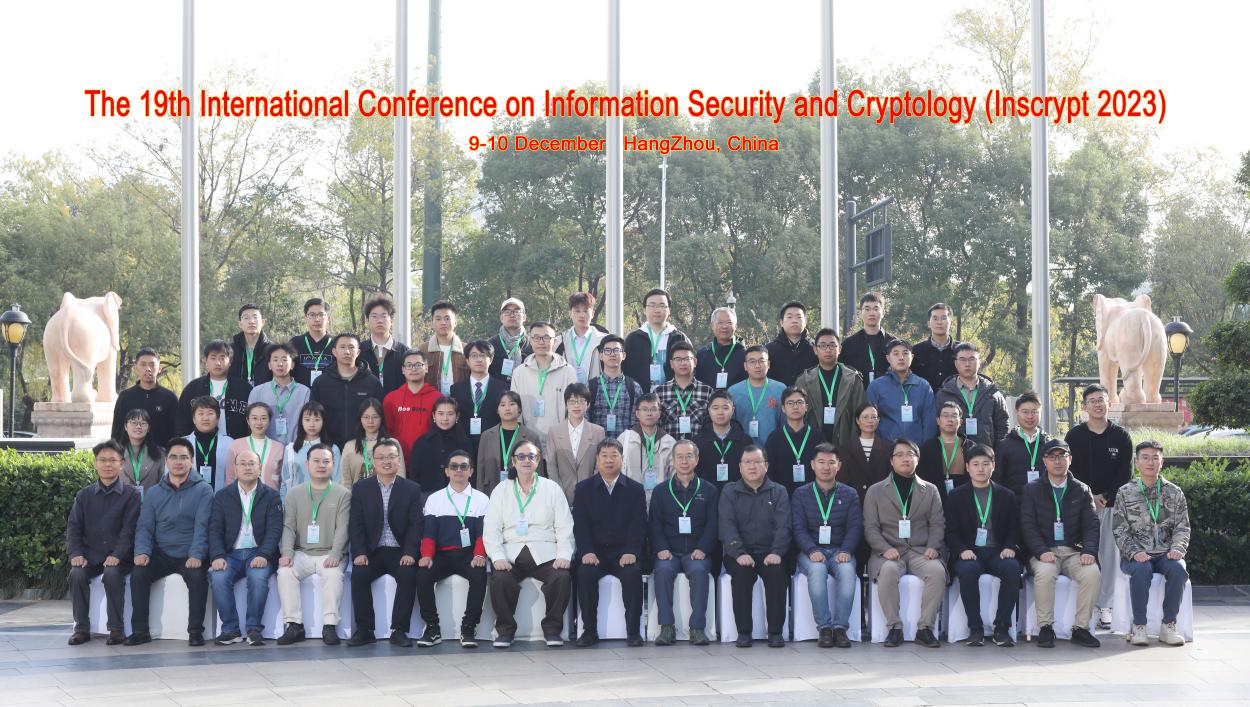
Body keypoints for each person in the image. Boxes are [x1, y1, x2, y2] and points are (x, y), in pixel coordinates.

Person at [482, 440, 574, 648]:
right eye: (521, 457)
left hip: (546, 552)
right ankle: (505, 631)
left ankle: (552, 630)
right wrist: (497, 557)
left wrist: (564, 555)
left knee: (561, 577)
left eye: (531, 456)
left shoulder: (552, 488)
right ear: (513, 461)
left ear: (538, 460)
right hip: (511, 553)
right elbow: (492, 528)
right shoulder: (501, 490)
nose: (526, 461)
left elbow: (564, 526)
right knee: (500, 579)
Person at [126, 438, 214, 646]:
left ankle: (195, 632)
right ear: (166, 461)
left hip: (189, 552)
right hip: (162, 552)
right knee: (138, 574)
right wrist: (142, 552)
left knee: (198, 578)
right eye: (173, 457)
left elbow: (203, 526)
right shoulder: (155, 492)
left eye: (183, 457)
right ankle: (140, 631)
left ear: (191, 460)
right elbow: (145, 527)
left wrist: (196, 554)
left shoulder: (203, 490)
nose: (178, 462)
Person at [863, 438, 946, 648]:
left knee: (937, 571)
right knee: (888, 571)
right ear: (891, 461)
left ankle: (925, 628)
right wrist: (884, 549)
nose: (905, 458)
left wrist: (933, 546)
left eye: (910, 454)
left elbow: (937, 523)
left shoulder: (930, 490)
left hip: (920, 551)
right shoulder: (875, 490)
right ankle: (894, 628)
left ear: (918, 459)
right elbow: (870, 527)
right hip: (889, 551)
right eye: (899, 455)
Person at [1020, 439, 1102, 648]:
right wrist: (1040, 551)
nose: (1057, 462)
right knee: (1045, 572)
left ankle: (1081, 628)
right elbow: (1027, 526)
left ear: (1070, 459)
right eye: (1052, 457)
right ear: (1044, 461)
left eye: (1062, 456)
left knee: (1092, 573)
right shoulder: (1032, 490)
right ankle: (1045, 627)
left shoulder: (1082, 489)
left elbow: (1091, 525)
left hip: (1073, 551)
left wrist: (1089, 551)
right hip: (1044, 551)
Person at [1066, 383, 1134, 629]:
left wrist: (1104, 497)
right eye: (1092, 401)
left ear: (1109, 403)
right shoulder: (1074, 436)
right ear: (1084, 406)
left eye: (1101, 400)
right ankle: (1084, 607)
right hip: (1080, 507)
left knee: (1108, 556)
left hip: (1110, 506)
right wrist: (1089, 497)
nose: (1097, 404)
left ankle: (1105, 606)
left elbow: (1125, 473)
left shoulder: (1121, 436)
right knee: (1082, 556)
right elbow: (1068, 471)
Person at [1112, 440, 1191, 647]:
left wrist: (1178, 548)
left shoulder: (1174, 492)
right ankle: (1139, 626)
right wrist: (1134, 552)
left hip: (1166, 553)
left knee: (1179, 570)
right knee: (1141, 570)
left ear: (1162, 462)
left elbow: (1183, 527)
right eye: (1145, 458)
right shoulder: (1125, 492)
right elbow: (1119, 529)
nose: (1150, 462)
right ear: (1137, 462)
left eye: (1155, 458)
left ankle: (1168, 626)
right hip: (1136, 554)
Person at [347, 438, 423, 647]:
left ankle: (399, 630)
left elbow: (416, 525)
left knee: (408, 575)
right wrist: (359, 552)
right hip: (372, 550)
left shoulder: (411, 489)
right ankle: (365, 630)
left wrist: (410, 552)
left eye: (391, 457)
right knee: (359, 575)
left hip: (400, 550)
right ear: (373, 462)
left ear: (399, 460)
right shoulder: (361, 488)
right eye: (381, 457)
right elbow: (356, 524)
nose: (386, 461)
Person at [572, 438, 648, 647]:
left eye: (614, 455)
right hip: (594, 553)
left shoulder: (635, 489)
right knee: (584, 574)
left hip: (624, 553)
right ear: (597, 460)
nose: (609, 460)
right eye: (604, 456)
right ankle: (589, 631)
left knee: (632, 574)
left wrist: (631, 551)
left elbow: (639, 525)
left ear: (622, 459)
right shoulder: (583, 489)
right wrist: (586, 551)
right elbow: (580, 525)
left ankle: (633, 632)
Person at [944, 444, 1021, 647]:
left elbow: (1014, 527)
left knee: (1012, 568)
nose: (981, 468)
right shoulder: (956, 496)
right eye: (976, 464)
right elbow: (950, 531)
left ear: (993, 466)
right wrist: (962, 550)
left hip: (998, 551)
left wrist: (1010, 546)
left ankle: (1002, 628)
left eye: (986, 464)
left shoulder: (1006, 495)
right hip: (970, 552)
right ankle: (975, 628)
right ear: (967, 467)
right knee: (967, 570)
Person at [66, 440, 142, 646]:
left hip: (120, 557)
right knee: (76, 574)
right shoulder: (84, 495)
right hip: (91, 555)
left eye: (112, 460)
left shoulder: (132, 495)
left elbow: (129, 530)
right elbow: (74, 528)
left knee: (111, 574)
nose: (107, 464)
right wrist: (76, 554)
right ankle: (81, 629)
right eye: (102, 460)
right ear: (95, 463)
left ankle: (116, 629)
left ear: (122, 464)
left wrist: (117, 555)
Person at [276, 443, 350, 646]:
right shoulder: (294, 493)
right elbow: (288, 527)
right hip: (302, 552)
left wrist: (336, 553)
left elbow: (343, 528)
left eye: (326, 461)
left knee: (333, 575)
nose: (321, 465)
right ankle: (294, 625)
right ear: (307, 464)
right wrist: (287, 552)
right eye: (316, 461)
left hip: (329, 553)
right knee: (285, 572)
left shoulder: (343, 494)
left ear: (333, 464)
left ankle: (329, 625)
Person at [415, 449, 490, 648]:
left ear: (471, 471)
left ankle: (468, 627)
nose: (458, 470)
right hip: (442, 555)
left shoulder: (482, 499)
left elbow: (483, 534)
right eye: (454, 466)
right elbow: (429, 534)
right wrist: (427, 556)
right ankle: (432, 628)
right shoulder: (435, 499)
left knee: (479, 575)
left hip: (469, 554)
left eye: (463, 466)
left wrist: (479, 555)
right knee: (423, 574)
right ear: (447, 471)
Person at [208, 449, 282, 646]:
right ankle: (230, 629)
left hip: (259, 552)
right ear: (235, 468)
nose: (247, 467)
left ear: (260, 468)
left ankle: (253, 629)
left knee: (258, 578)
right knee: (218, 577)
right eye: (243, 463)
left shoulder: (271, 496)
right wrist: (217, 555)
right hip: (230, 553)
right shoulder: (222, 496)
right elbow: (214, 529)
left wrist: (264, 554)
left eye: (252, 464)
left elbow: (275, 530)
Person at [719, 446, 791, 647]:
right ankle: (744, 632)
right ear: (740, 467)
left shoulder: (778, 491)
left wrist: (777, 552)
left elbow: (784, 526)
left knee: (777, 575)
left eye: (757, 462)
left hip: (770, 552)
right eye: (747, 462)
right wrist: (739, 553)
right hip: (740, 553)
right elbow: (727, 526)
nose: (752, 467)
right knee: (741, 576)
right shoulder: (730, 492)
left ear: (766, 466)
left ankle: (775, 632)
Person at [792, 443, 862, 648]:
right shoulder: (801, 494)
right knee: (816, 570)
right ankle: (824, 628)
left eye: (831, 462)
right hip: (811, 551)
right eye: (821, 462)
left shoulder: (850, 494)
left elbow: (855, 527)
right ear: (812, 465)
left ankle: (840, 628)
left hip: (840, 550)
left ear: (839, 465)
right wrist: (811, 550)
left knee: (847, 571)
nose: (826, 467)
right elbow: (798, 528)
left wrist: (846, 550)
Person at [649, 439, 718, 646]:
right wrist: (661, 548)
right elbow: (654, 524)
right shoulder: (661, 491)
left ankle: (697, 628)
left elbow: (713, 525)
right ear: (673, 460)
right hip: (669, 552)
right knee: (662, 571)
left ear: (696, 459)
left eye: (689, 456)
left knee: (699, 571)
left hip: (696, 552)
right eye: (679, 457)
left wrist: (703, 548)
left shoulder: (709, 490)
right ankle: (666, 627)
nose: (684, 461)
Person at [309, 333, 385, 448]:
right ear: (334, 352)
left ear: (358, 352)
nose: (347, 352)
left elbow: (380, 416)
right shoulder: (321, 383)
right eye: (343, 347)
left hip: (362, 446)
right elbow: (314, 415)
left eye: (351, 347)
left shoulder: (372, 383)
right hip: (328, 447)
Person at [796, 328, 865, 449]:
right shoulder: (804, 380)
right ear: (815, 350)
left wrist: (855, 447)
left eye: (832, 345)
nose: (828, 350)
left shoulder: (852, 379)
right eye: (823, 346)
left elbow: (860, 414)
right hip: (812, 445)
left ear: (840, 349)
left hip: (845, 444)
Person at [510, 321, 578, 442]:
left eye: (546, 337)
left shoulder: (568, 372)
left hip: (560, 439)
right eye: (536, 338)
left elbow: (574, 408)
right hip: (528, 440)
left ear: (554, 341)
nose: (541, 342)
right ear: (530, 341)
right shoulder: (519, 373)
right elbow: (515, 409)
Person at [935, 343, 1009, 447]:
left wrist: (997, 451)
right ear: (956, 363)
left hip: (986, 452)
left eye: (972, 359)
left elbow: (1003, 425)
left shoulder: (992, 393)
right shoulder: (944, 393)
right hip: (955, 452)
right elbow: (936, 426)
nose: (967, 364)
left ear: (979, 362)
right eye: (962, 360)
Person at [176, 339, 252, 439]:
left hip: (237, 443)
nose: (218, 363)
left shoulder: (244, 388)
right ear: (205, 360)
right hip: (201, 444)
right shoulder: (193, 388)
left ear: (230, 361)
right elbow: (182, 420)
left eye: (222, 358)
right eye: (213, 358)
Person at [543, 383, 606, 504]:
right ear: (566, 404)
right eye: (572, 401)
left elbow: (600, 465)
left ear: (588, 404)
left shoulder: (598, 432)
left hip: (590, 495)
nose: (577, 405)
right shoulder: (554, 432)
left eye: (581, 401)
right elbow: (551, 465)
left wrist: (592, 490)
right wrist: (559, 493)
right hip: (560, 495)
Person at [868, 338, 937, 445]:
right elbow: (869, 420)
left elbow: (929, 422)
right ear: (888, 358)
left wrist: (925, 448)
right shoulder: (876, 386)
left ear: (912, 357)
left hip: (916, 450)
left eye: (905, 353)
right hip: (885, 448)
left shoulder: (923, 386)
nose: (901, 357)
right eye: (896, 354)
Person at [623, 288, 692, 392]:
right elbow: (625, 370)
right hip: (641, 397)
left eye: (662, 305)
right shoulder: (633, 339)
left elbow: (690, 369)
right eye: (652, 305)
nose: (657, 310)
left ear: (669, 310)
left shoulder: (679, 338)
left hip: (673, 396)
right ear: (644, 310)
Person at [476, 390, 543, 495]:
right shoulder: (487, 436)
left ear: (519, 409)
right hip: (492, 490)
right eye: (503, 405)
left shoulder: (531, 437)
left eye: (512, 404)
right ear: (497, 410)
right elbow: (480, 469)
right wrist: (480, 495)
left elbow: (538, 471)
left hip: (523, 491)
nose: (507, 408)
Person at [450, 340, 509, 459]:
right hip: (464, 445)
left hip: (494, 445)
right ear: (467, 360)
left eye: (483, 355)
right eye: (474, 356)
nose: (479, 359)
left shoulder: (503, 389)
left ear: (491, 359)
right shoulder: (456, 389)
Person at [110, 347, 178, 447]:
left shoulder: (169, 398)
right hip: (130, 454)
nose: (148, 369)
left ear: (159, 368)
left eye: (152, 365)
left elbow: (176, 432)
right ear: (136, 368)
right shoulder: (125, 397)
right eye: (143, 364)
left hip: (161, 454)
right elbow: (117, 431)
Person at [247, 343, 310, 446]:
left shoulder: (305, 392)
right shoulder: (257, 392)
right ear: (269, 365)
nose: (280, 364)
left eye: (284, 360)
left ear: (292, 365)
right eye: (275, 360)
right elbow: (251, 422)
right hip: (265, 449)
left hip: (296, 449)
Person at [278, 401, 342, 502]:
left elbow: (337, 481)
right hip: (296, 503)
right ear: (301, 421)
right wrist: (285, 505)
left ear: (323, 421)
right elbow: (285, 483)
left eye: (317, 420)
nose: (312, 424)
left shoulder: (332, 449)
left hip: (324, 502)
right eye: (307, 420)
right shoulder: (290, 449)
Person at [382, 349, 442, 456]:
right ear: (403, 370)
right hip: (398, 458)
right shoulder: (391, 399)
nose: (414, 369)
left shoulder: (437, 398)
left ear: (426, 367)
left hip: (429, 456)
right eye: (409, 365)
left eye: (418, 364)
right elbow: (387, 431)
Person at [993, 392, 1052, 497]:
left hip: (1044, 503)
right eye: (1025, 412)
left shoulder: (1050, 445)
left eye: (1035, 412)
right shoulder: (1004, 446)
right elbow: (997, 480)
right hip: (1014, 502)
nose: (1030, 416)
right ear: (1016, 412)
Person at [917, 401, 977, 504]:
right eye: (945, 416)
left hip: (966, 499)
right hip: (935, 500)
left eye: (954, 416)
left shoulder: (971, 447)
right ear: (938, 421)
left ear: (961, 421)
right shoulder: (927, 448)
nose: (950, 419)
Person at [619, 393, 676, 499]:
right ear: (637, 413)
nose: (649, 413)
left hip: (660, 500)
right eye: (645, 409)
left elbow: (674, 476)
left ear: (659, 413)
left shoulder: (669, 442)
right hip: (630, 499)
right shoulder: (624, 439)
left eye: (653, 409)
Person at [408, 396, 470, 491]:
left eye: (450, 414)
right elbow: (414, 475)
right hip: (427, 495)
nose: (445, 418)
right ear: (434, 415)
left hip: (459, 494)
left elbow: (471, 474)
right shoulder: (422, 442)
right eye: (440, 414)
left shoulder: (466, 443)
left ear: (457, 416)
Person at [653, 341, 713, 439]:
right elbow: (655, 425)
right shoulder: (659, 392)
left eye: (687, 359)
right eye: (678, 359)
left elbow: (711, 426)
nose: (683, 363)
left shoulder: (708, 392)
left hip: (698, 447)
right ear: (671, 364)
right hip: (669, 447)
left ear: (695, 362)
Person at [764, 387, 818, 494]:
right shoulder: (774, 438)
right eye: (790, 403)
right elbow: (768, 471)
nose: (795, 407)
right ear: (783, 408)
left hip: (812, 495)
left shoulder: (817, 436)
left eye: (799, 402)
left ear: (806, 407)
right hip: (781, 495)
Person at [728, 345, 785, 446]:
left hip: (773, 448)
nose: (757, 366)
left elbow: (785, 424)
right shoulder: (733, 391)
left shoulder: (780, 389)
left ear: (768, 364)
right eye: (752, 361)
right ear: (745, 366)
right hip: (742, 449)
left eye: (761, 361)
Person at [693, 390, 752, 488]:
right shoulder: (698, 441)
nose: (720, 412)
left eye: (725, 408)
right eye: (715, 408)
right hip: (706, 493)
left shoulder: (745, 441)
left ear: (732, 410)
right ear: (709, 410)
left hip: (738, 493)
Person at [588, 334, 644, 435]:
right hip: (598, 444)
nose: (612, 354)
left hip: (625, 444)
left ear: (624, 355)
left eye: (616, 350)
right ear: (601, 355)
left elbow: (638, 423)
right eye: (607, 350)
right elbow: (586, 420)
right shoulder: (591, 387)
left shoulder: (634, 388)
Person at [341, 399, 406, 486]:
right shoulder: (350, 446)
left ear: (381, 418)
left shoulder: (392, 444)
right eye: (366, 417)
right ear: (360, 419)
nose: (370, 421)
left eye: (375, 417)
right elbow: (345, 481)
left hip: (387, 493)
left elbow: (400, 476)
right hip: (357, 494)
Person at [839, 402, 892, 503]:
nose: (870, 421)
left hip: (880, 501)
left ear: (878, 420)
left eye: (873, 417)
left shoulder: (888, 448)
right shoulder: (846, 449)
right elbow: (843, 481)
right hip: (854, 501)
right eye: (865, 417)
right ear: (857, 420)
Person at [839, 292, 893, 389]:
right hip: (857, 395)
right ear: (861, 313)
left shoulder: (893, 344)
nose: (871, 313)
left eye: (876, 309)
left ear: (883, 313)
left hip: (887, 395)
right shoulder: (848, 344)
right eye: (867, 309)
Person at [225, 403, 285, 491]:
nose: (259, 422)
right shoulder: (236, 445)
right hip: (242, 497)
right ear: (248, 421)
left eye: (263, 418)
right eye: (254, 418)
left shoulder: (279, 448)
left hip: (271, 497)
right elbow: (230, 478)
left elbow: (282, 480)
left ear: (269, 421)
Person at [358, 294, 410, 394]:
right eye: (374, 316)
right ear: (367, 320)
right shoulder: (359, 351)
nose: (379, 320)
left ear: (392, 320)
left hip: (397, 402)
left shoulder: (404, 352)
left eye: (384, 316)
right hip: (367, 403)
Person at [182, 396, 234, 492]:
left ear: (218, 418)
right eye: (200, 413)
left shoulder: (230, 444)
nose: (205, 418)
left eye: (210, 413)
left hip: (221, 498)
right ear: (194, 419)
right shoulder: (182, 444)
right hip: (190, 499)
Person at [556, 291, 606, 384]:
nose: (582, 315)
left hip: (596, 390)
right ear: (570, 313)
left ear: (593, 313)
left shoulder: (603, 341)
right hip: (566, 391)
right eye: (577, 311)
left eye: (586, 311)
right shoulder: (559, 341)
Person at [420, 300, 470, 396]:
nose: (443, 322)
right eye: (438, 319)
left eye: (447, 318)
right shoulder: (423, 350)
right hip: (432, 402)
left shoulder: (467, 350)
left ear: (455, 322)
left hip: (460, 402)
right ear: (432, 323)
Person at [765, 300, 818, 387]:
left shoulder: (816, 349)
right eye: (789, 317)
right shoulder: (769, 350)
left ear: (805, 322)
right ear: (781, 322)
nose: (794, 321)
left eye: (798, 317)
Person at [910, 303, 961, 393]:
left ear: (952, 323)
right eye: (935, 318)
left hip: (955, 400)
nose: (939, 322)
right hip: (924, 400)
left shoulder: (961, 350)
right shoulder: (916, 351)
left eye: (944, 318)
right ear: (928, 324)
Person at [694, 307, 747, 390]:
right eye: (720, 322)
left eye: (729, 322)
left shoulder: (744, 354)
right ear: (712, 325)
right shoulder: (702, 354)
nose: (724, 326)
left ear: (735, 326)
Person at [116, 409, 165, 493]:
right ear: (125, 427)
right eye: (133, 422)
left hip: (151, 500)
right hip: (122, 500)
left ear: (148, 428)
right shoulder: (115, 453)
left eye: (143, 423)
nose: (138, 426)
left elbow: (164, 484)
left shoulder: (160, 454)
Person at [290, 298, 334, 387]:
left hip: (329, 393)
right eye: (312, 315)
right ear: (306, 318)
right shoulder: (295, 343)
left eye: (321, 315)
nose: (317, 319)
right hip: (301, 394)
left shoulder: (337, 343)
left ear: (328, 318)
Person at [228, 304, 273, 387]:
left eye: (255, 317)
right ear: (240, 324)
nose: (251, 321)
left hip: (264, 394)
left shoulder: (272, 350)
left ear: (263, 322)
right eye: (246, 318)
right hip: (236, 394)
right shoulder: (230, 350)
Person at [490, 297, 533, 381]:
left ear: (524, 317)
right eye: (507, 312)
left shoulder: (533, 344)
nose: (512, 315)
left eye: (517, 311)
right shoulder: (491, 345)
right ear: (501, 318)